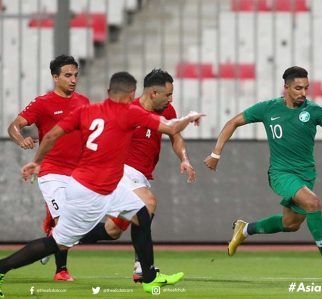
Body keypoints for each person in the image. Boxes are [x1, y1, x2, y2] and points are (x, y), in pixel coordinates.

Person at [0, 71, 204, 297]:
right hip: (94, 189)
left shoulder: (86, 111)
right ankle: (2, 267)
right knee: (59, 242)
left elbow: (50, 136)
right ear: (132, 94)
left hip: (94, 182)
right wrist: (191, 116)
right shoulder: (130, 113)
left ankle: (148, 276)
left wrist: (36, 162)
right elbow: (173, 128)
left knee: (139, 215)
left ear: (109, 92)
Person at [203, 66, 322, 281]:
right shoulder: (268, 109)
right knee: (313, 203)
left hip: (306, 175)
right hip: (280, 173)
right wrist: (215, 154)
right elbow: (233, 122)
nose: (303, 93)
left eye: (306, 88)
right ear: (286, 88)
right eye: (298, 88)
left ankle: (245, 229)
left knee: (291, 224)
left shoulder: (314, 111)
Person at [78, 69, 196, 283]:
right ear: (153, 93)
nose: (171, 100)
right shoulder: (128, 110)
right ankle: (143, 268)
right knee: (148, 203)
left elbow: (175, 136)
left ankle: (60, 238)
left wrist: (184, 159)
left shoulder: (166, 110)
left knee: (112, 230)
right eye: (167, 95)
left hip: (140, 175)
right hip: (121, 170)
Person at [7, 55, 89, 281]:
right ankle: (61, 270)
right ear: (55, 77)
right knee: (64, 222)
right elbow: (14, 125)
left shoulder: (84, 101)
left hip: (79, 173)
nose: (73, 80)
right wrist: (20, 138)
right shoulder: (43, 103)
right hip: (52, 171)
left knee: (73, 226)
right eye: (67, 75)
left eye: (75, 75)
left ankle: (49, 241)